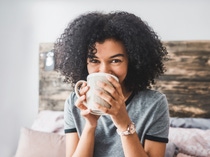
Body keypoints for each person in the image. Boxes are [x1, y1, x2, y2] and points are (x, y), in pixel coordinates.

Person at [54, 11, 169, 157]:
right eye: (94, 61)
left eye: (115, 61)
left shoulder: (154, 104)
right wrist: (90, 125)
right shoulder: (74, 102)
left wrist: (123, 123)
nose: (104, 70)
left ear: (132, 62)